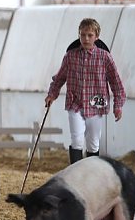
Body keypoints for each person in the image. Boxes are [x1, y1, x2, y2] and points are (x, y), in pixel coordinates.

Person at [45, 18, 126, 165]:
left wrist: (118, 106)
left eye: (89, 35)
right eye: (82, 35)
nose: (86, 39)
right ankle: (75, 173)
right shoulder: (70, 56)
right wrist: (52, 94)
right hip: (75, 104)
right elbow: (59, 78)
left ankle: (91, 173)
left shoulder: (105, 57)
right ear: (79, 35)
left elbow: (116, 82)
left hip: (96, 105)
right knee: (76, 140)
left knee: (93, 143)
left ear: (96, 37)